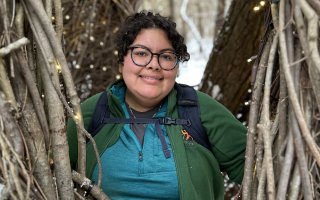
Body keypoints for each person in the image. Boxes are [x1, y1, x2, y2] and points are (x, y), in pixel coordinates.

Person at [67, 11, 247, 200]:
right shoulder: (94, 111)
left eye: (166, 56)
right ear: (121, 62)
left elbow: (256, 168)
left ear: (176, 68)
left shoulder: (199, 109)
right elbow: (58, 172)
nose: (154, 64)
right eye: (141, 53)